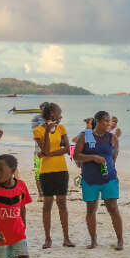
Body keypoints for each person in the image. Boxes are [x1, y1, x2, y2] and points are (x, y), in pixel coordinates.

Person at [74, 111, 123, 250]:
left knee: (113, 209)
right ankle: (93, 240)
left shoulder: (112, 138)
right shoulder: (87, 136)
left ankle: (120, 241)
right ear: (97, 121)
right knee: (91, 210)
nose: (108, 124)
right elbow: (76, 155)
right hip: (90, 179)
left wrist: (109, 168)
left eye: (109, 121)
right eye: (105, 121)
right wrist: (93, 158)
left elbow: (113, 158)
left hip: (109, 179)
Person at [33, 102, 74, 249]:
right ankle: (48, 239)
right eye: (59, 112)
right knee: (47, 205)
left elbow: (68, 149)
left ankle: (66, 238)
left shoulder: (61, 128)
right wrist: (47, 132)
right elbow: (44, 148)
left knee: (62, 203)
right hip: (46, 171)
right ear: (52, 114)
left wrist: (49, 154)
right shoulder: (38, 130)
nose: (61, 114)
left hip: (61, 170)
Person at [31, 102, 49, 199]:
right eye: (44, 109)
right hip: (39, 151)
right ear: (41, 109)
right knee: (38, 174)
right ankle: (40, 194)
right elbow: (37, 133)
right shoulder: (36, 119)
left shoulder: (53, 119)